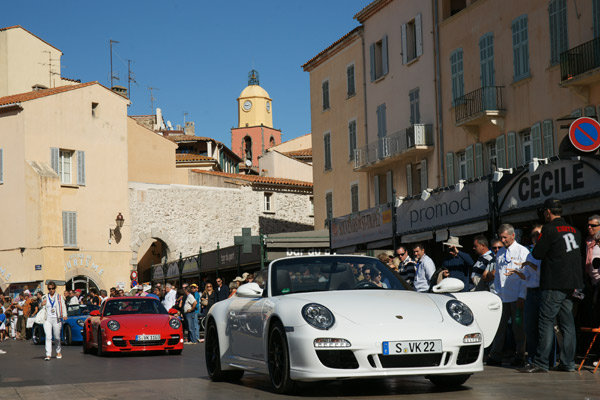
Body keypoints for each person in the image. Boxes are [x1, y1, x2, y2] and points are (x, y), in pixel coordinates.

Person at [520, 199, 584, 373]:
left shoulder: (549, 229)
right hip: (571, 284)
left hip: (554, 282)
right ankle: (568, 362)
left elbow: (538, 253)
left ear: (548, 212)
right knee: (567, 324)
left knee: (546, 321)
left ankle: (541, 362)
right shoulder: (575, 230)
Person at [487, 224, 528, 367]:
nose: (502, 240)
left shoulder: (522, 251)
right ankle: (496, 355)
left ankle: (520, 355)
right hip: (502, 297)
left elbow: (526, 276)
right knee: (499, 327)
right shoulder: (500, 253)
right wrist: (496, 293)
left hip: (516, 297)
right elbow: (498, 275)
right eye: (501, 237)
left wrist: (522, 296)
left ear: (512, 235)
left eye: (505, 237)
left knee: (518, 327)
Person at [506, 225, 543, 366]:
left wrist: (528, 264)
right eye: (532, 235)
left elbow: (541, 272)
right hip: (531, 292)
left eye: (536, 235)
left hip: (541, 290)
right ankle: (532, 357)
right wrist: (516, 271)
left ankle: (544, 358)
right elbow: (527, 276)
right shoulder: (530, 254)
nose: (534, 238)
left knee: (542, 327)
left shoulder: (541, 253)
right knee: (529, 326)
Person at [41, 282, 67, 361]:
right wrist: (41, 304)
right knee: (48, 336)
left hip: (56, 318)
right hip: (47, 319)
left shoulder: (59, 297)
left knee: (57, 336)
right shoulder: (44, 297)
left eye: (52, 288)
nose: (51, 290)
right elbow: (41, 307)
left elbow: (63, 306)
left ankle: (58, 351)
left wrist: (65, 315)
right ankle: (48, 354)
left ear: (55, 288)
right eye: (49, 289)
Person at [585, 214, 600, 324]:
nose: (590, 227)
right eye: (588, 225)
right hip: (591, 281)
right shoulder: (588, 242)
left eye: (593, 225)